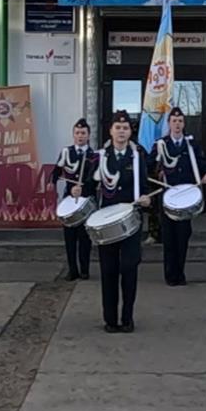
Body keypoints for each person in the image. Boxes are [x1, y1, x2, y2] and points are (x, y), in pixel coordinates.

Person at [88, 110, 152, 333]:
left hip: (131, 221)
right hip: (106, 223)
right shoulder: (99, 156)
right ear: (111, 130)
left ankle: (127, 318)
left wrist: (145, 198)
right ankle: (110, 319)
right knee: (109, 270)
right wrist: (79, 190)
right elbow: (89, 185)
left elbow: (145, 186)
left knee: (129, 268)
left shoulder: (138, 155)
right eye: (118, 127)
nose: (122, 131)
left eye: (125, 128)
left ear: (130, 131)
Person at [150, 107, 206, 286]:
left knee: (183, 236)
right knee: (169, 238)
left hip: (186, 197)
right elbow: (149, 164)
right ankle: (170, 275)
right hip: (168, 197)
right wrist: (157, 170)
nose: (177, 124)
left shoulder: (191, 145)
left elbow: (203, 163)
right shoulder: (160, 144)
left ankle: (180, 272)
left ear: (184, 124)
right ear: (169, 124)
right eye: (174, 121)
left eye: (180, 121)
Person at [52, 118, 97, 281]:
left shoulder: (94, 156)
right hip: (69, 201)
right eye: (77, 133)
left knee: (85, 238)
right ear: (73, 135)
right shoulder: (66, 152)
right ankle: (72, 270)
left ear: (88, 135)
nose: (80, 136)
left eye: (83, 133)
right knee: (69, 238)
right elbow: (55, 174)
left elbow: (96, 180)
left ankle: (84, 270)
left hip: (86, 201)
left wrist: (84, 189)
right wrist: (58, 183)